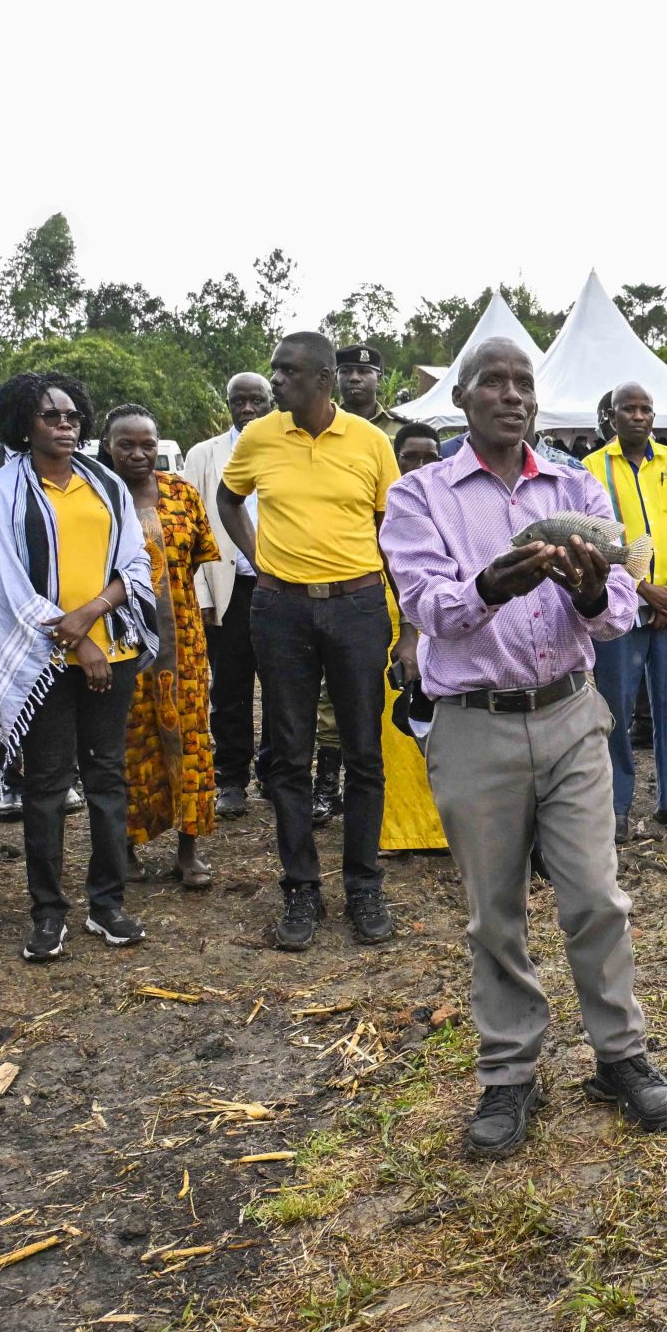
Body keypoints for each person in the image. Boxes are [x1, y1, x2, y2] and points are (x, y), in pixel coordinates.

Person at [380, 336, 667, 1159]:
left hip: (570, 715)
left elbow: (618, 606)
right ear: (464, 397)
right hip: (474, 723)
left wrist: (587, 586)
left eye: (524, 384)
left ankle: (619, 1055)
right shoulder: (420, 497)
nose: (512, 395)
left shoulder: (575, 486)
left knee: (596, 895)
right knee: (495, 913)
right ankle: (509, 1073)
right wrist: (496, 582)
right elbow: (429, 606)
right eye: (495, 382)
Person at [218, 331, 400, 951]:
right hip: (281, 609)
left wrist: (412, 626)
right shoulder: (259, 436)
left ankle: (363, 885)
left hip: (356, 606)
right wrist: (256, 559)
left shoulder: (372, 443)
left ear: (322, 380)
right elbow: (229, 497)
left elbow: (393, 531)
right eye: (275, 371)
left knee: (362, 751)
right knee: (288, 756)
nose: (275, 383)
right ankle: (300, 889)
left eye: (287, 372)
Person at [0, 373, 157, 961]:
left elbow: (134, 562)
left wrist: (96, 616)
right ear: (23, 423)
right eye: (51, 415)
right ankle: (48, 913)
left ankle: (107, 905)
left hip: (115, 651)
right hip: (43, 662)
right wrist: (77, 642)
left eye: (73, 415)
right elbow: (3, 583)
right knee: (47, 786)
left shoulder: (106, 484)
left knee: (107, 778)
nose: (66, 424)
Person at [104, 406, 221, 890]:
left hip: (184, 640)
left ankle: (189, 849)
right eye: (125, 444)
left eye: (147, 444)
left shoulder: (182, 493)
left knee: (191, 738)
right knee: (129, 743)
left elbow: (193, 560)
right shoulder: (97, 496)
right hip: (119, 642)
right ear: (107, 445)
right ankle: (126, 846)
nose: (137, 453)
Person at [585, 382, 667, 841]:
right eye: (628, 409)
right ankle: (617, 805)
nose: (638, 416)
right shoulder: (593, 468)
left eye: (646, 409)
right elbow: (596, 543)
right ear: (611, 417)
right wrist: (640, 589)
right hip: (618, 609)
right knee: (615, 707)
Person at [183, 372, 274, 818]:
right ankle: (232, 779)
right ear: (228, 404)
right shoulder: (204, 455)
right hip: (229, 587)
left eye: (257, 400)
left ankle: (275, 774)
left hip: (281, 585)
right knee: (231, 687)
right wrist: (200, 593)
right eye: (239, 400)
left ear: (272, 402)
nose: (248, 409)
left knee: (282, 685)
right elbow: (189, 526)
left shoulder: (284, 447)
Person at [378, 423, 448, 853]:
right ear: (396, 459)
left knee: (442, 728)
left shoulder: (452, 503)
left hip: (444, 620)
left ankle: (446, 828)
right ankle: (401, 830)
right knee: (397, 728)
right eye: (411, 457)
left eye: (430, 457)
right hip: (391, 623)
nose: (421, 466)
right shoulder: (384, 506)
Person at [336, 343, 410, 443]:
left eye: (363, 371)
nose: (354, 378)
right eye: (345, 371)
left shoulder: (401, 429)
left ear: (378, 380)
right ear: (336, 379)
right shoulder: (324, 426)